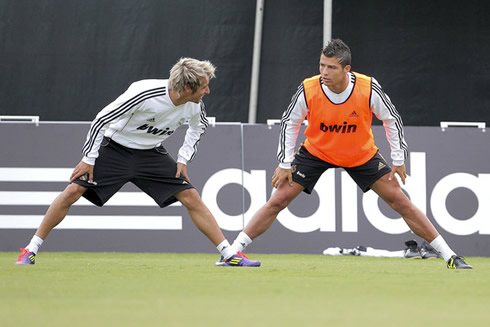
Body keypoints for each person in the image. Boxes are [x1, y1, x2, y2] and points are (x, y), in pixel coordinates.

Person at [225, 39, 471, 269]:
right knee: (278, 200)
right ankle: (233, 253)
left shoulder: (367, 87)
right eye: (321, 65)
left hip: (360, 155)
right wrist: (285, 162)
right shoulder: (309, 88)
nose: (324, 72)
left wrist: (398, 159)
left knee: (400, 201)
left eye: (331, 67)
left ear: (346, 69)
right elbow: (290, 122)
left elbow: (391, 119)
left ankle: (449, 255)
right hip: (316, 151)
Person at [15, 57, 260, 267]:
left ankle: (229, 255)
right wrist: (89, 159)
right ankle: (30, 250)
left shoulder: (194, 105)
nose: (207, 91)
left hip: (151, 154)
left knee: (191, 196)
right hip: (115, 149)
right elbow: (101, 120)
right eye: (204, 87)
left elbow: (199, 128)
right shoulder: (144, 93)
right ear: (187, 87)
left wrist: (184, 159)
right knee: (73, 190)